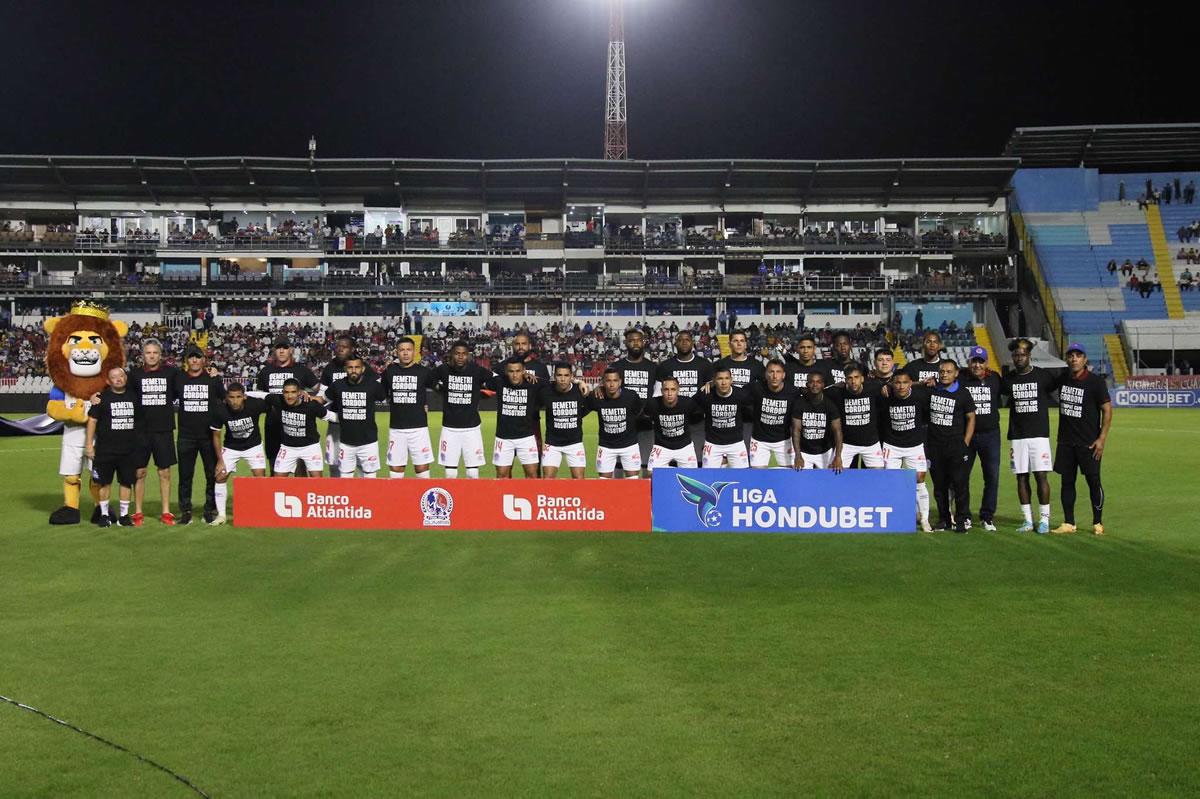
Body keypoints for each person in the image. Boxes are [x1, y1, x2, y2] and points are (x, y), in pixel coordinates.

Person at [1051, 344, 1112, 536]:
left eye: (1078, 355)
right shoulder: (1063, 378)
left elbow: (1107, 410)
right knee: (1067, 482)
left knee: (1094, 482)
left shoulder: (1095, 382)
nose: (1074, 358)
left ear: (1085, 360)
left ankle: (1097, 522)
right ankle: (1069, 522)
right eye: (1071, 355)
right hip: (1066, 442)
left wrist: (1101, 439)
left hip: (1089, 443)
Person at [1002, 338, 1056, 534]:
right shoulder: (1008, 380)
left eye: (1022, 354)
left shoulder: (1043, 376)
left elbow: (1054, 387)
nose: (1019, 358)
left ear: (1029, 356)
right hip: (1017, 436)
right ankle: (1027, 520)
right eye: (1015, 355)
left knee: (1041, 476)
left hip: (1039, 435)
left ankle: (1044, 520)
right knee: (1021, 478)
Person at [127, 338, 178, 525]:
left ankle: (166, 511)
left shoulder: (171, 373)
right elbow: (120, 392)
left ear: (160, 355)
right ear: (142, 355)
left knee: (164, 472)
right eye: (148, 352)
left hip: (163, 430)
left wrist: (211, 373)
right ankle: (138, 511)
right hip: (140, 431)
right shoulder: (134, 375)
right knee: (139, 472)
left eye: (155, 352)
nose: (151, 355)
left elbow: (187, 385)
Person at [85, 366, 144, 527]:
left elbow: (139, 423)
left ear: (126, 378)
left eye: (121, 376)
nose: (118, 379)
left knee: (126, 482)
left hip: (128, 449)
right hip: (105, 449)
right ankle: (104, 515)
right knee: (104, 483)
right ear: (108, 381)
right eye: (114, 377)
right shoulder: (101, 398)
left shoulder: (134, 397)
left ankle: (124, 516)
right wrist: (89, 445)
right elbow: (92, 421)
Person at [173, 344, 224, 525]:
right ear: (187, 361)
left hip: (208, 436)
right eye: (191, 357)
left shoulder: (212, 379)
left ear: (204, 360)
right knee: (185, 475)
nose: (194, 360)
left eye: (197, 357)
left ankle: (209, 509)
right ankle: (185, 510)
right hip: (186, 435)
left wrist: (217, 377)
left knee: (211, 474)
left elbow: (225, 399)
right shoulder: (178, 379)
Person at [925, 360, 976, 532]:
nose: (944, 374)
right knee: (939, 487)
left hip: (956, 446)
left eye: (948, 371)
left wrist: (965, 442)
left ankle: (961, 520)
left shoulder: (963, 393)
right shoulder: (932, 390)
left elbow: (971, 418)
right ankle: (944, 519)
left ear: (956, 374)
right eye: (942, 371)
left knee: (960, 485)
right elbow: (908, 384)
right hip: (935, 446)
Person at [256, 337, 319, 476]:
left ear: (291, 350)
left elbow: (319, 389)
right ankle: (277, 496)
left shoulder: (301, 370)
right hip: (273, 425)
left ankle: (300, 496)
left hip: (298, 426)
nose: (282, 351)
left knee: (300, 470)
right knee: (275, 467)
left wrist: (310, 396)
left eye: (285, 348)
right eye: (278, 348)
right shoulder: (266, 371)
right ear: (273, 350)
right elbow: (259, 397)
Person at [209, 383, 268, 525]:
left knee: (260, 476)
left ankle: (261, 511)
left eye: (238, 397)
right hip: (231, 447)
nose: (235, 401)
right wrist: (220, 460)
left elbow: (273, 401)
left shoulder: (255, 405)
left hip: (253, 446)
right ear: (226, 398)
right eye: (231, 397)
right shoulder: (220, 410)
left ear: (244, 397)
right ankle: (221, 515)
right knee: (220, 475)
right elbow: (216, 436)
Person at [880, 371, 933, 532]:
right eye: (897, 383)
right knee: (893, 482)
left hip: (915, 445)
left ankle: (924, 519)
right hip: (892, 445)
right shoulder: (886, 396)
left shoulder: (920, 395)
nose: (901, 386)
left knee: (919, 481)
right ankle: (898, 516)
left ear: (911, 383)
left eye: (904, 382)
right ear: (892, 384)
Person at [432, 340, 491, 478]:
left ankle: (472, 499)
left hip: (472, 428)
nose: (460, 357)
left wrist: (481, 393)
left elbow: (494, 381)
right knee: (450, 472)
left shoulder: (476, 370)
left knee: (472, 472)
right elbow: (429, 379)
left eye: (464, 354)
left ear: (468, 355)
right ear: (452, 354)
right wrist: (440, 389)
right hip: (449, 428)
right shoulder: (443, 369)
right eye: (457, 353)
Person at [381, 337, 437, 478]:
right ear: (397, 352)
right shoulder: (389, 372)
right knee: (396, 472)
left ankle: (421, 500)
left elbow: (438, 387)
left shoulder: (424, 372)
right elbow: (381, 392)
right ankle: (397, 500)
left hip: (419, 429)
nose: (405, 353)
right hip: (397, 428)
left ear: (414, 352)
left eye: (409, 350)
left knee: (422, 470)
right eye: (402, 350)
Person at [325, 353, 387, 478]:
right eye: (350, 367)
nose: (353, 370)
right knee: (345, 483)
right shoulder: (337, 385)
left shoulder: (373, 385)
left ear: (363, 368)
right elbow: (322, 400)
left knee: (370, 482)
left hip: (369, 443)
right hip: (346, 443)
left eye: (357, 367)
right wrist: (304, 398)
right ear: (345, 369)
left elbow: (388, 398)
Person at [655, 329, 714, 459]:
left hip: (698, 422)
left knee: (698, 461)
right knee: (672, 463)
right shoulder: (665, 366)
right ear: (675, 343)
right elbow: (657, 396)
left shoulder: (705, 365)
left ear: (692, 343)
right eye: (680, 340)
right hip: (673, 422)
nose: (684, 343)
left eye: (687, 340)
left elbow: (711, 393)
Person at [960, 346, 1001, 530]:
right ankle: (964, 515)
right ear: (968, 362)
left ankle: (987, 516)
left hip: (990, 435)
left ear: (987, 363)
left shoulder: (995, 378)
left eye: (980, 361)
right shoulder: (960, 378)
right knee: (961, 476)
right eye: (974, 361)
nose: (977, 365)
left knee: (992, 476)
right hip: (966, 435)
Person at [610, 327, 657, 476]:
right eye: (631, 340)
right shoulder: (617, 367)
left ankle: (645, 498)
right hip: (622, 423)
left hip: (646, 423)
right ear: (625, 343)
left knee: (647, 467)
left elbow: (658, 394)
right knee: (618, 467)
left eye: (638, 340)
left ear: (644, 342)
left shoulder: (653, 367)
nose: (635, 343)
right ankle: (617, 499)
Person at [587, 368, 644, 478]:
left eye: (615, 380)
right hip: (606, 446)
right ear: (603, 382)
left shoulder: (631, 396)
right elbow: (583, 407)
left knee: (633, 481)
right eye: (608, 381)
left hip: (629, 445)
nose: (612, 384)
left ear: (620, 382)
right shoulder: (596, 397)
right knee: (604, 483)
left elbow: (638, 412)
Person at [489, 359, 541, 479]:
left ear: (523, 371)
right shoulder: (499, 382)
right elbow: (484, 373)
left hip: (526, 437)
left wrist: (578, 382)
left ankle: (530, 497)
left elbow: (556, 383)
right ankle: (503, 498)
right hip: (503, 437)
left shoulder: (532, 383)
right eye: (511, 371)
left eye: (518, 371)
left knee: (532, 475)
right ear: (506, 372)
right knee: (502, 475)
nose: (515, 375)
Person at [265, 379, 328, 477]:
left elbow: (329, 415)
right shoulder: (278, 400)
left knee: (317, 480)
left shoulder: (311, 405)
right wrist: (245, 393)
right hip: (288, 447)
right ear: (282, 393)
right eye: (286, 392)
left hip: (310, 447)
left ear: (299, 393)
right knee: (277, 479)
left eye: (293, 392)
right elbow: (261, 395)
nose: (289, 396)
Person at [318, 335, 361, 477]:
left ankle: (363, 494)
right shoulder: (330, 368)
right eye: (338, 347)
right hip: (335, 422)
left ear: (352, 349)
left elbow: (375, 387)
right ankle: (337, 494)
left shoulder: (361, 366)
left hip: (359, 422)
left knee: (361, 462)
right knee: (333, 462)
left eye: (344, 347)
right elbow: (323, 394)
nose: (340, 349)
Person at [827, 364, 884, 468]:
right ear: (845, 380)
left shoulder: (873, 388)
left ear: (862, 378)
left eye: (856, 377)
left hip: (871, 443)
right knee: (833, 473)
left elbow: (893, 385)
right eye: (850, 378)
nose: (853, 381)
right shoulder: (836, 392)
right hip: (846, 443)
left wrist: (888, 386)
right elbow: (818, 392)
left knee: (878, 476)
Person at [540, 362, 589, 479]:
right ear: (554, 376)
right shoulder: (546, 391)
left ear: (571, 376)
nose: (562, 379)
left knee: (579, 479)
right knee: (547, 479)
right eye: (559, 375)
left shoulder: (579, 391)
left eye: (566, 375)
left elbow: (589, 406)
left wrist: (580, 382)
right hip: (552, 443)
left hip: (575, 443)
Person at [747, 359, 797, 468]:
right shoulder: (756, 388)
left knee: (788, 476)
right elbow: (735, 393)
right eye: (771, 372)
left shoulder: (793, 392)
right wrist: (712, 384)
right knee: (758, 476)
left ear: (783, 375)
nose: (774, 376)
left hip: (783, 441)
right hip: (759, 440)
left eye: (778, 372)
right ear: (766, 374)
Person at [644, 377, 702, 470]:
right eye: (666, 389)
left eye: (673, 389)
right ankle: (672, 472)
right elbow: (644, 416)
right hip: (662, 446)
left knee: (691, 475)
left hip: (684, 446)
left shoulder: (687, 403)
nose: (669, 393)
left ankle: (672, 472)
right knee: (652, 473)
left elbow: (697, 416)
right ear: (662, 390)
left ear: (678, 390)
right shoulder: (653, 403)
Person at [790, 371, 844, 471]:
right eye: (811, 382)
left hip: (825, 451)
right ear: (807, 384)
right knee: (802, 481)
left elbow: (837, 431)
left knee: (828, 482)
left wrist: (838, 456)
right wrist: (798, 455)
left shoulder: (830, 405)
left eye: (818, 382)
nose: (815, 385)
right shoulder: (799, 403)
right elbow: (796, 430)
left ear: (823, 385)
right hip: (804, 451)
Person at [698, 367, 750, 468]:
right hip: (713, 444)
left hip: (736, 443)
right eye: (720, 379)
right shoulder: (706, 394)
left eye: (726, 378)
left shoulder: (741, 395)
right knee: (708, 479)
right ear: (714, 381)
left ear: (731, 380)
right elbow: (690, 407)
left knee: (743, 478)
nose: (724, 382)